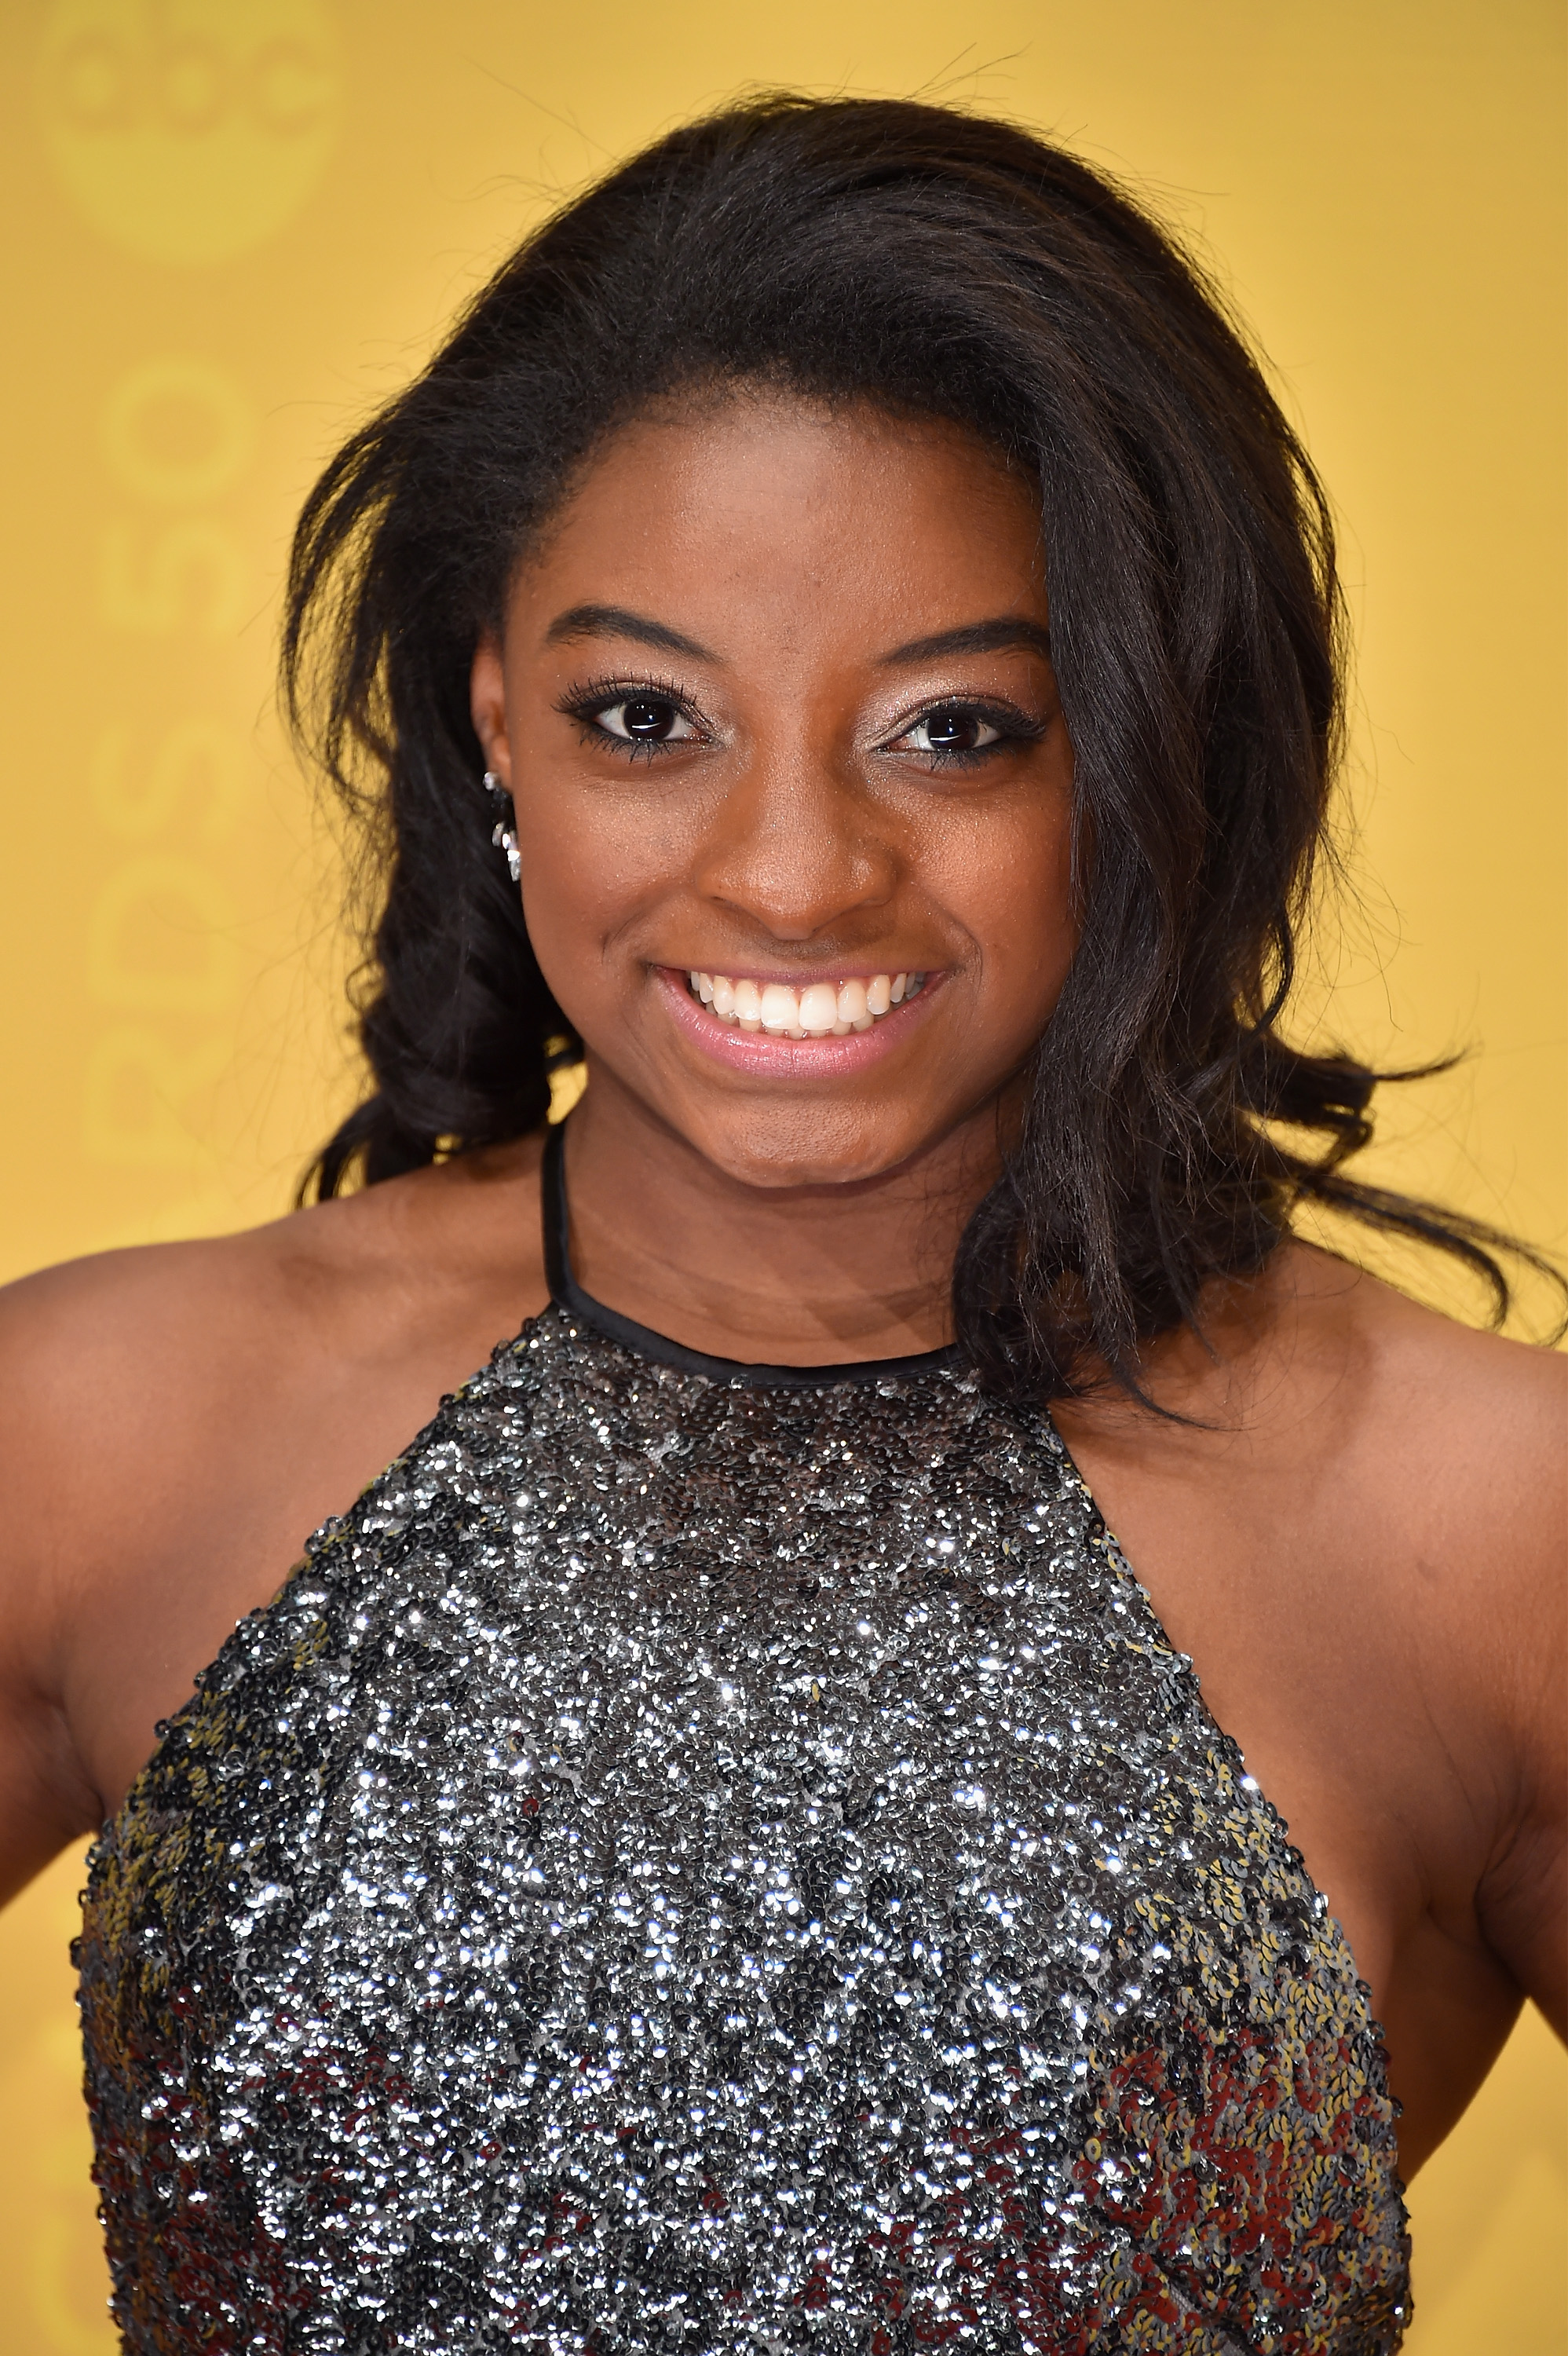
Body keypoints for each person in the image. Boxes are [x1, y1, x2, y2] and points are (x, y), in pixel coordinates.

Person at [0, 94, 1560, 2355]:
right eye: (650, 717)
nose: (796, 873)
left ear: (1140, 753)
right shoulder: (101, 1432)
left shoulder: (1483, 1524)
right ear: (495, 724)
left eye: (953, 732)